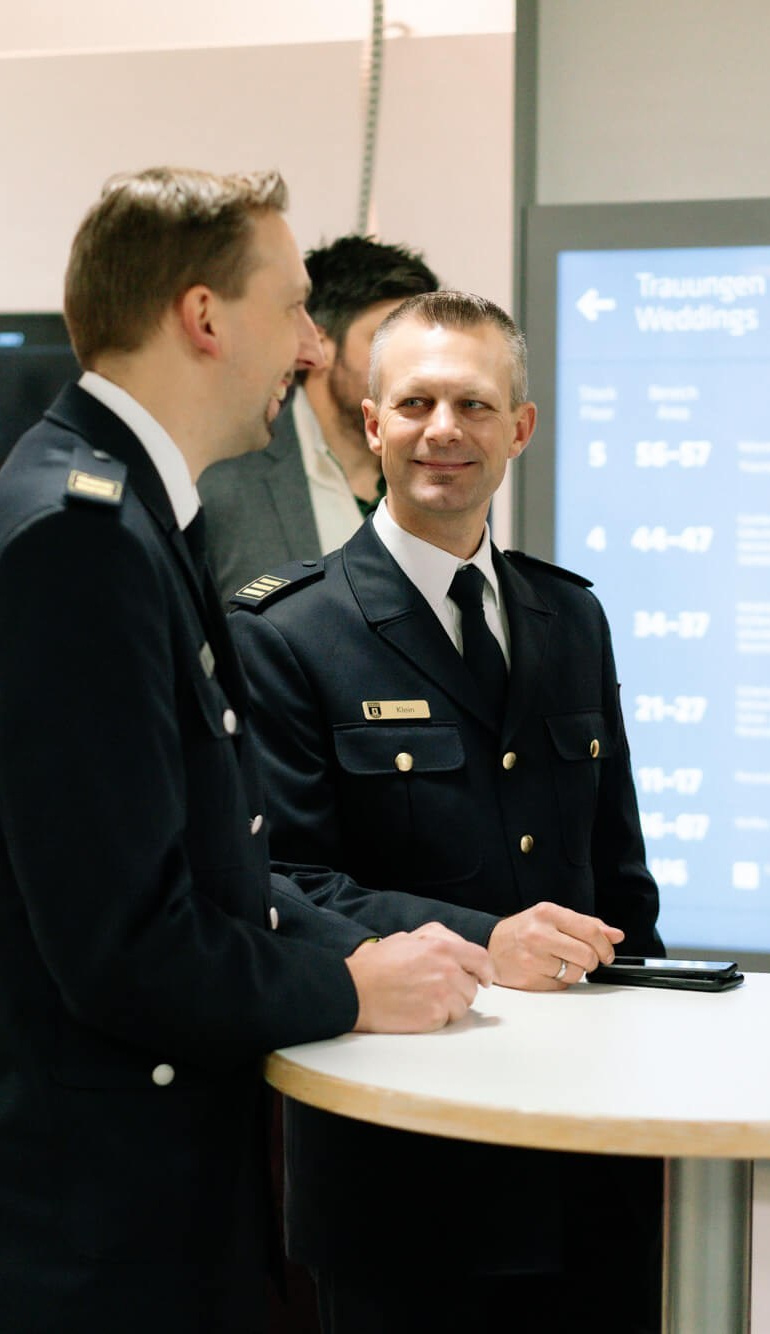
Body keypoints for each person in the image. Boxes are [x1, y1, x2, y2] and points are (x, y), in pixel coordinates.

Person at [0, 167, 494, 1334]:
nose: (315, 348)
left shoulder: (131, 514)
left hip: (159, 1189)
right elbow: (124, 937)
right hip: (99, 1225)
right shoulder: (77, 538)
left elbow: (211, 857)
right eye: (293, 307)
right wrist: (348, 986)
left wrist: (385, 940)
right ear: (204, 316)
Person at [228, 290, 665, 1333]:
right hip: (403, 1158)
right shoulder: (289, 631)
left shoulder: (572, 615)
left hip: (584, 1154)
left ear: (517, 427)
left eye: (472, 405)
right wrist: (487, 943)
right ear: (371, 422)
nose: (442, 431)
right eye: (414, 402)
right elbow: (282, 878)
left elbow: (621, 877)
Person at [198, 234, 438, 597]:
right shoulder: (226, 478)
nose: (415, 366)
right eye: (386, 340)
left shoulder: (447, 469)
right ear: (321, 342)